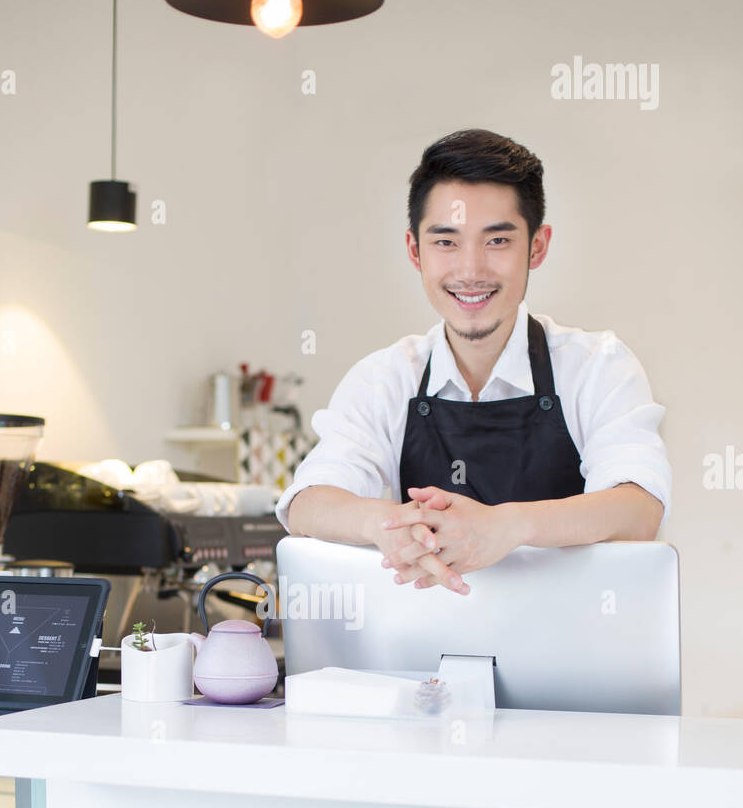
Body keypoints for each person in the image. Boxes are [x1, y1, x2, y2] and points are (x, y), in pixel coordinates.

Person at [276, 129, 670, 595]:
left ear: (537, 247)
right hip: (427, 659)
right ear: (414, 250)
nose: (470, 271)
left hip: (576, 653)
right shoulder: (384, 377)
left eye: (497, 241)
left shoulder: (597, 366)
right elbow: (307, 504)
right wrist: (392, 522)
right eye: (446, 242)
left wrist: (506, 526)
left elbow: (638, 510)